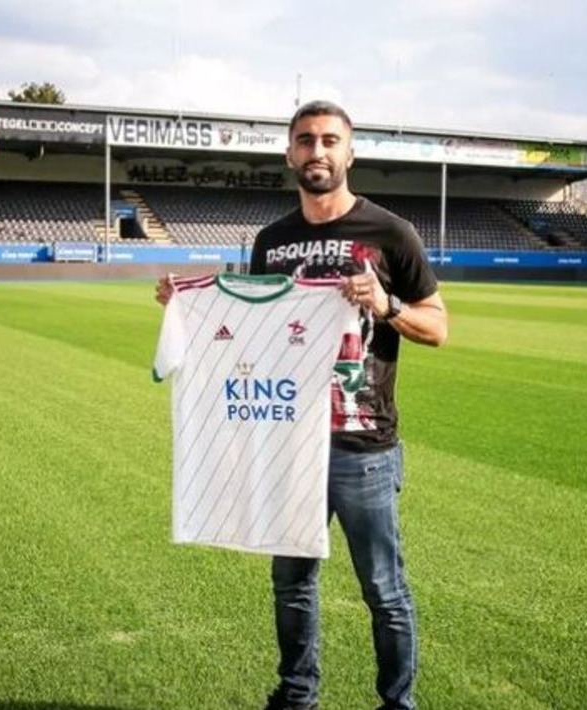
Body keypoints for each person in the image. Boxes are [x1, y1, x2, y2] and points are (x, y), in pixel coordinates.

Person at [156, 100, 447, 710]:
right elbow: (256, 335)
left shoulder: (391, 234)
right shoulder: (272, 241)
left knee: (384, 590)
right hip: (288, 441)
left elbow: (438, 327)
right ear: (290, 153)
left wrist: (386, 304)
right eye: (306, 140)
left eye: (329, 140)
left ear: (349, 153)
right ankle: (297, 696)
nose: (318, 151)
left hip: (363, 447)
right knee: (291, 583)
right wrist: (188, 309)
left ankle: (398, 704)